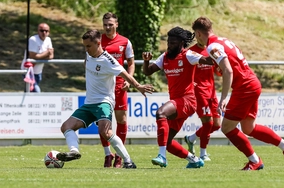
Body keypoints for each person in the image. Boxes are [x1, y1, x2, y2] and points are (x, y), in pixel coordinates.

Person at [191, 16, 284, 170]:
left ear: (199, 34)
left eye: (195, 35)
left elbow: (228, 70)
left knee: (227, 127)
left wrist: (224, 98)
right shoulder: (224, 41)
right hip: (253, 82)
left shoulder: (212, 47)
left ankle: (255, 161)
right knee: (248, 128)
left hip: (244, 87)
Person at [56, 29, 154, 169]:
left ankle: (128, 161)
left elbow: (125, 74)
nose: (86, 49)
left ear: (98, 43)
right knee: (66, 127)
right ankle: (74, 151)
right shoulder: (88, 55)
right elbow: (87, 63)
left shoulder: (109, 61)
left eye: (88, 46)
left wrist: (138, 86)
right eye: (84, 46)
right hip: (89, 103)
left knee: (106, 132)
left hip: (104, 102)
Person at [142, 26, 215, 168]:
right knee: (168, 142)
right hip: (177, 102)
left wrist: (217, 51)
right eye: (168, 42)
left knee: (160, 113)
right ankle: (194, 160)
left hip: (187, 100)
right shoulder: (165, 57)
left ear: (181, 43)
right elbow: (148, 72)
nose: (169, 45)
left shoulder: (188, 55)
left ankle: (161, 156)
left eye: (173, 43)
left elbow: (209, 61)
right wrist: (146, 61)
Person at [99, 12, 135, 168]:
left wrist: (129, 80)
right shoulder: (97, 40)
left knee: (121, 120)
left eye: (110, 24)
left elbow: (131, 63)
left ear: (116, 25)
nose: (107, 27)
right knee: (103, 122)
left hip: (119, 85)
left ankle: (119, 156)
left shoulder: (125, 42)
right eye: (105, 24)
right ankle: (108, 154)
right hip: (101, 86)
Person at [183, 41, 222, 161]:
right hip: (199, 91)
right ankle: (203, 154)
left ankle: (191, 138)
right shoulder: (191, 52)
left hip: (212, 91)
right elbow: (185, 70)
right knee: (208, 123)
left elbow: (218, 71)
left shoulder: (212, 50)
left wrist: (220, 68)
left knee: (216, 125)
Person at [22, 23, 54, 92]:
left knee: (29, 92)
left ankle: (24, 102)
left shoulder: (48, 40)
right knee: (36, 91)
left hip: (38, 71)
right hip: (28, 71)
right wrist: (46, 53)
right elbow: (33, 56)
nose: (44, 33)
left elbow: (51, 56)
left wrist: (40, 56)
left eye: (46, 31)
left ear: (49, 32)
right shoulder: (33, 40)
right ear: (38, 31)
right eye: (42, 30)